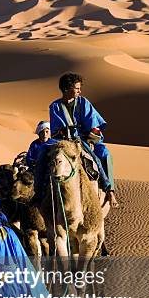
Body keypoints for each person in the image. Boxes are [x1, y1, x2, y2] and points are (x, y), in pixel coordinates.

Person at [49, 72, 118, 208]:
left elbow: (93, 124)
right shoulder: (55, 107)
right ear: (67, 89)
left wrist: (91, 141)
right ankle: (39, 193)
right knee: (42, 158)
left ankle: (109, 189)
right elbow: (57, 130)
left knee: (103, 154)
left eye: (80, 88)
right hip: (64, 142)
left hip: (85, 139)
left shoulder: (83, 102)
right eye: (77, 88)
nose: (79, 91)